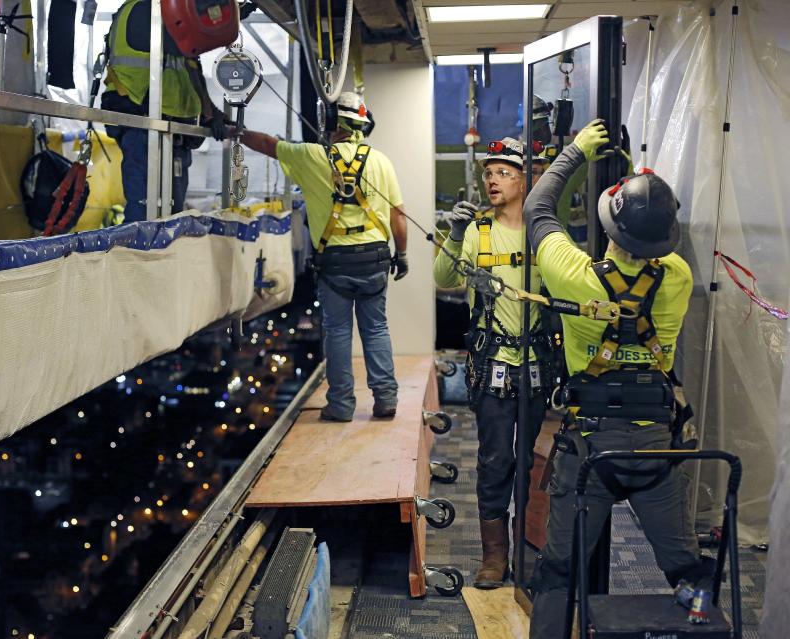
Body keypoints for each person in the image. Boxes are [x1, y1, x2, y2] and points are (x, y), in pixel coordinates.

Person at [525, 119, 712, 638]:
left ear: (609, 228)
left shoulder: (573, 275)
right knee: (685, 566)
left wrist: (577, 151)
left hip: (590, 449)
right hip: (655, 446)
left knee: (559, 568)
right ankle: (703, 619)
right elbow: (655, 237)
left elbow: (538, 209)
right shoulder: (676, 276)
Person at [233, 92, 408, 421]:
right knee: (376, 328)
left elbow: (269, 145)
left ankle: (341, 406)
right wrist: (404, 254)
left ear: (331, 122)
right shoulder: (381, 161)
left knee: (338, 331)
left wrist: (234, 133)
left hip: (335, 262)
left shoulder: (312, 156)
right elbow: (399, 215)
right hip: (375, 258)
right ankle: (386, 399)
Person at [433, 137, 549, 589]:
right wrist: (455, 234)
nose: (492, 180)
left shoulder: (544, 233)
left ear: (526, 180)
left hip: (538, 362)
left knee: (530, 460)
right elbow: (443, 280)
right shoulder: (478, 232)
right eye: (489, 173)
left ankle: (527, 547)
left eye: (504, 173)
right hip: (494, 364)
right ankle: (494, 556)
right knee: (495, 460)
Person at [101, 0, 226, 220]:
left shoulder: (171, 14)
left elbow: (190, 64)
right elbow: (185, 44)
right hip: (143, 123)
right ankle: (138, 254)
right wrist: (214, 17)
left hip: (172, 129)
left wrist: (210, 113)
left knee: (173, 214)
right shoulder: (144, 10)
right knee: (145, 214)